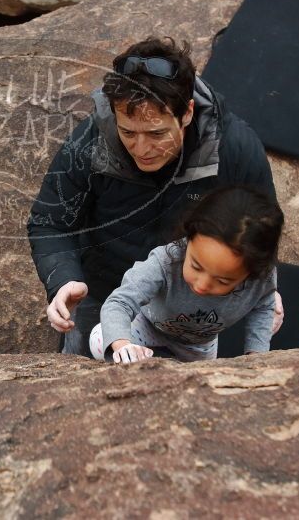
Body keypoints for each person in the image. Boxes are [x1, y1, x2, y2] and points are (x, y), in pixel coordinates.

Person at [27, 36, 283, 358]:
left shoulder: (234, 150)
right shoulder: (89, 145)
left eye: (157, 133)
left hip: (194, 299)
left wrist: (261, 280)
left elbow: (262, 225)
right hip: (105, 289)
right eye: (128, 132)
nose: (142, 149)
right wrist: (63, 280)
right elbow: (50, 222)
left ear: (187, 112)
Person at [89, 185, 283, 363]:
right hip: (149, 325)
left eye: (223, 280)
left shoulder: (262, 280)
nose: (202, 285)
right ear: (188, 238)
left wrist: (257, 355)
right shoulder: (166, 260)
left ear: (252, 273)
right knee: (99, 340)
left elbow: (264, 306)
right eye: (196, 266)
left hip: (200, 344)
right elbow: (119, 303)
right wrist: (123, 345)